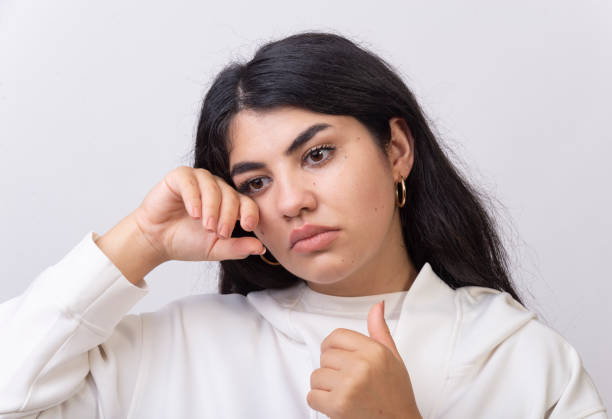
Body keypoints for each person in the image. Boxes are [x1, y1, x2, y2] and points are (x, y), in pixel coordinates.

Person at [0, 32, 607, 419]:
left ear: (396, 150)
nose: (290, 202)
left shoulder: (521, 360)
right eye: (256, 182)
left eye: (317, 154)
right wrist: (139, 241)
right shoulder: (168, 349)